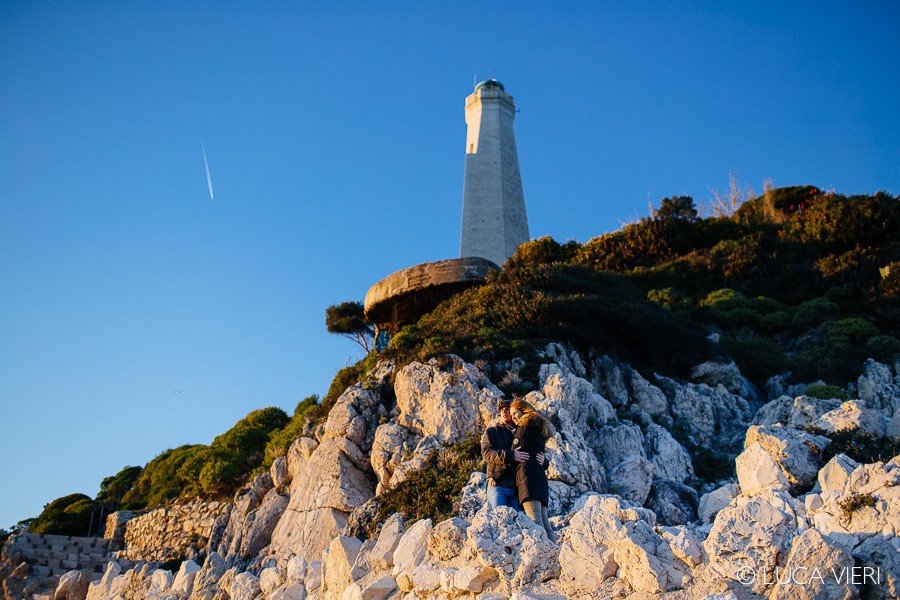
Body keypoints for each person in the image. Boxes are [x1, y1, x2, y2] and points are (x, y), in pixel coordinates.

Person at [480, 397, 545, 510]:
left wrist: (545, 462)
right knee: (497, 519)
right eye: (501, 410)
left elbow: (532, 452)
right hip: (497, 485)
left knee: (519, 523)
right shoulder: (492, 431)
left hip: (518, 487)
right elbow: (487, 453)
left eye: (507, 409)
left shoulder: (523, 431)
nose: (503, 412)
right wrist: (511, 455)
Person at [510, 398, 557, 543]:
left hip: (527, 477)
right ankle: (554, 554)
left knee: (535, 521)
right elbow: (538, 455)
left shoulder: (524, 426)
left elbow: (516, 449)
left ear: (523, 410)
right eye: (511, 415)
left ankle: (546, 557)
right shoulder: (538, 428)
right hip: (540, 478)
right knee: (545, 522)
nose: (514, 417)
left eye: (515, 413)